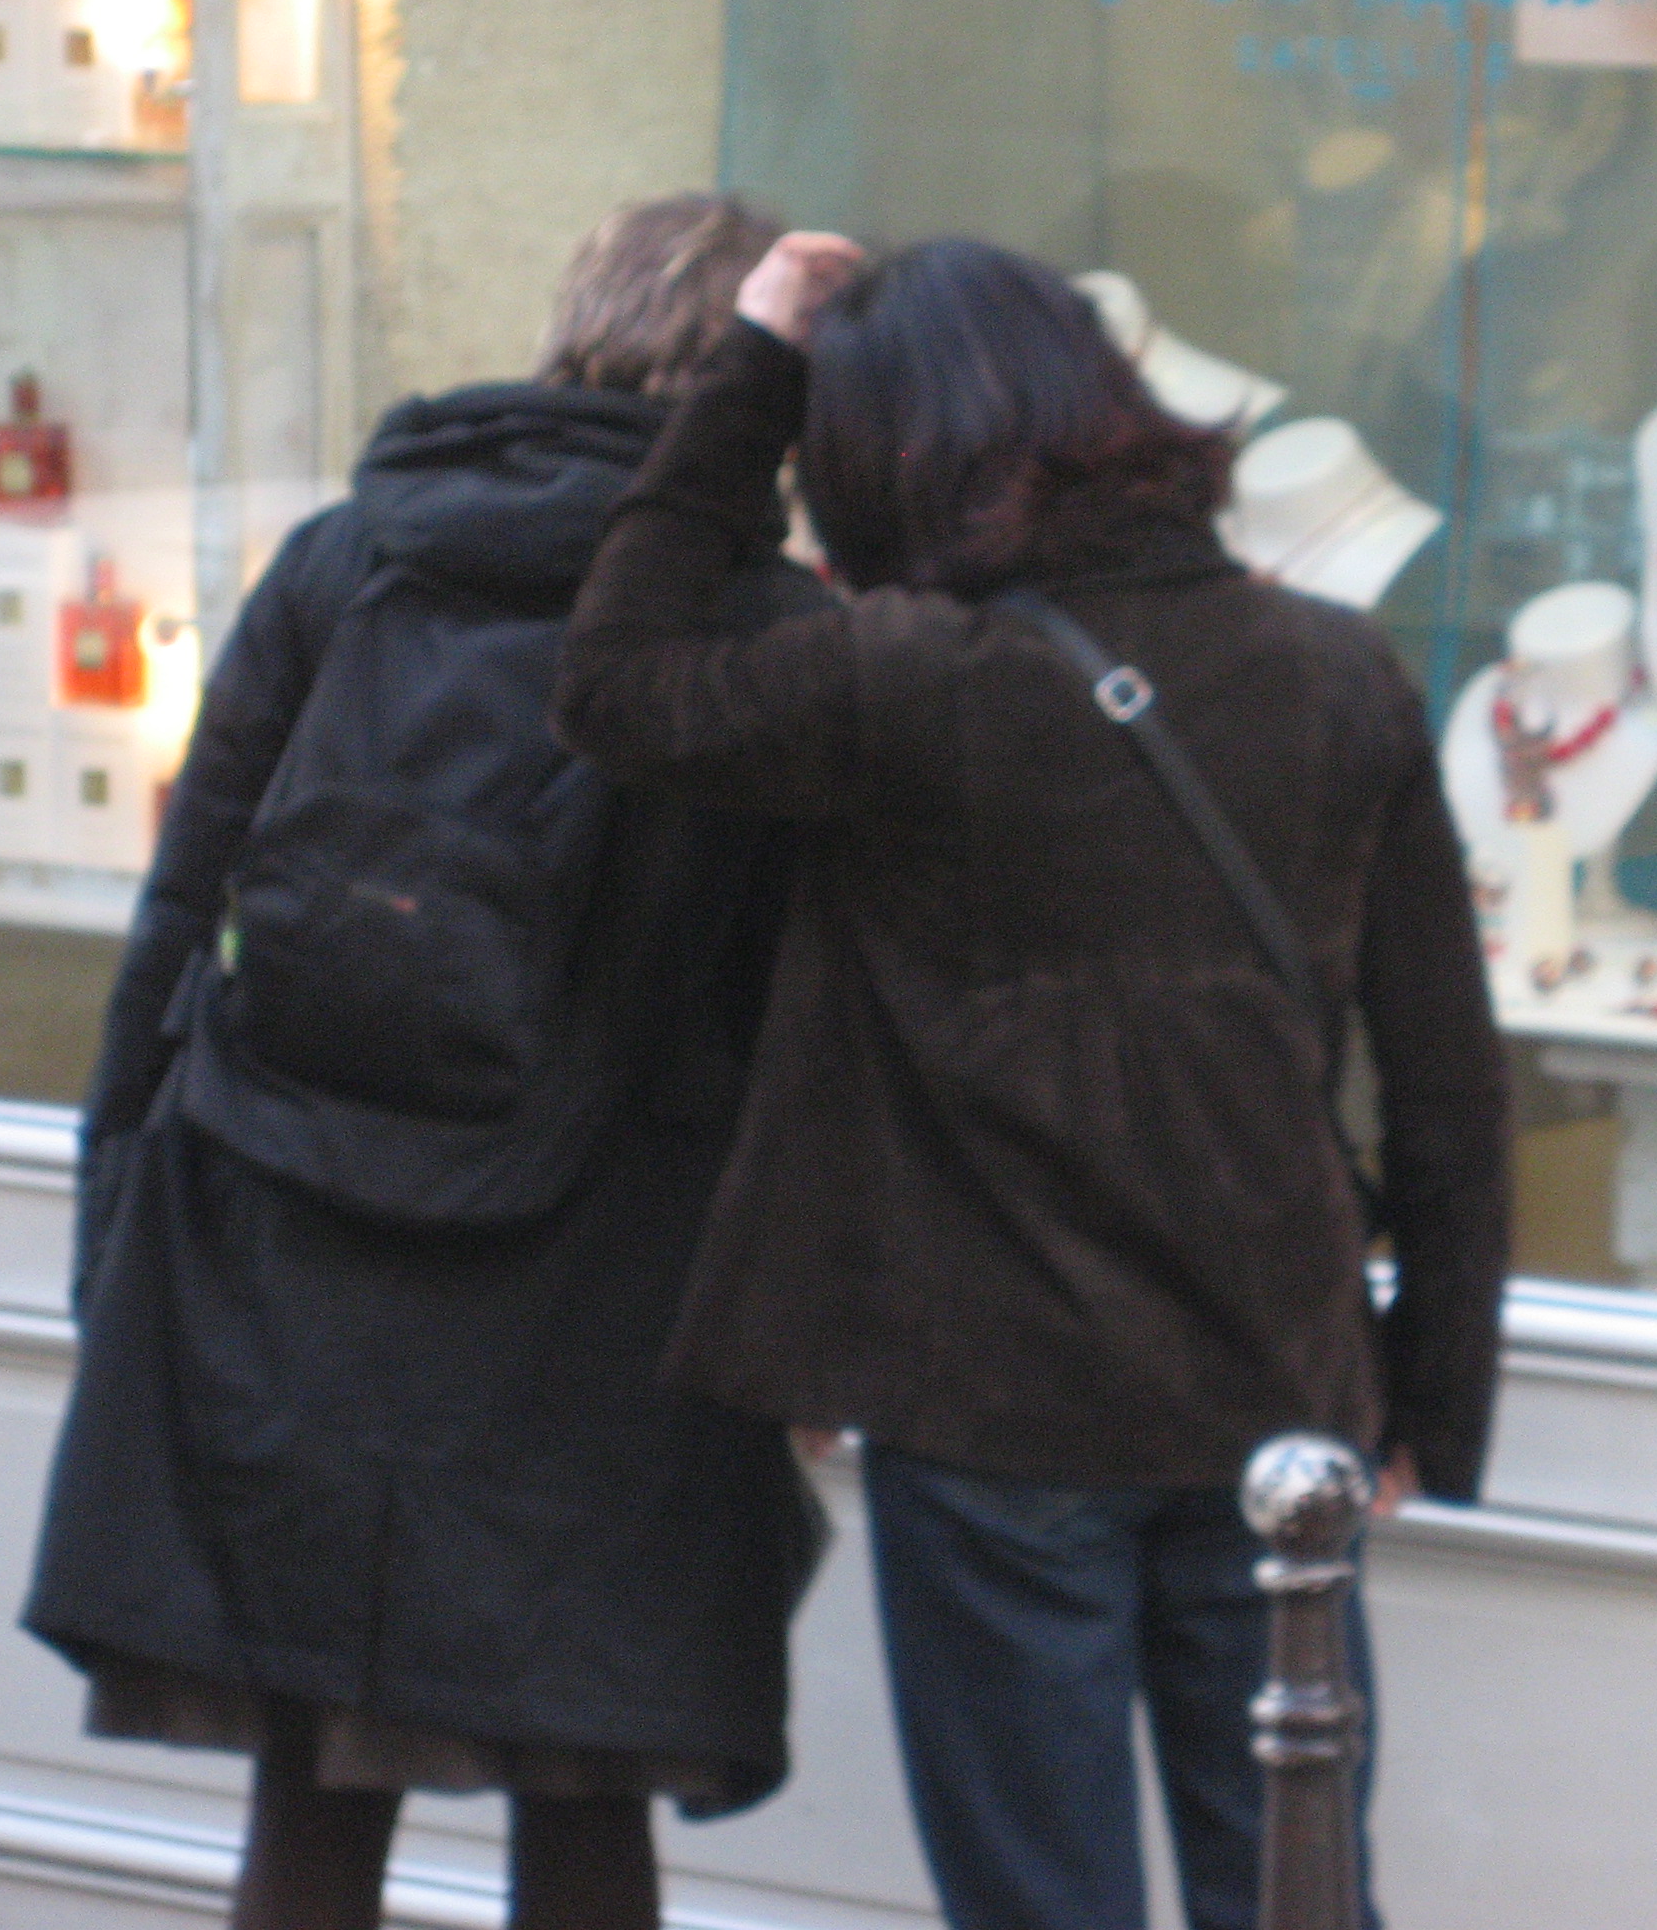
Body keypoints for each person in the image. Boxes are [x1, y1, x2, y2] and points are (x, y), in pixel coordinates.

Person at [551, 232, 1513, 1930]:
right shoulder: (1334, 670)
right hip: (1277, 1391)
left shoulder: (907, 677)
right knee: (1293, 1891)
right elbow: (1445, 1078)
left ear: (884, 458)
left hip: (997, 1399)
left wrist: (756, 369)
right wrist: (1430, 1394)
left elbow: (616, 681)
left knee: (1041, 1905)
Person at [24, 194, 832, 1930]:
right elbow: (792, 1011)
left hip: (286, 1243)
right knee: (584, 1804)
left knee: (312, 1803)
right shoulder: (761, 626)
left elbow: (186, 905)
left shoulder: (351, 556)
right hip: (609, 1283)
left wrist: (112, 1212)